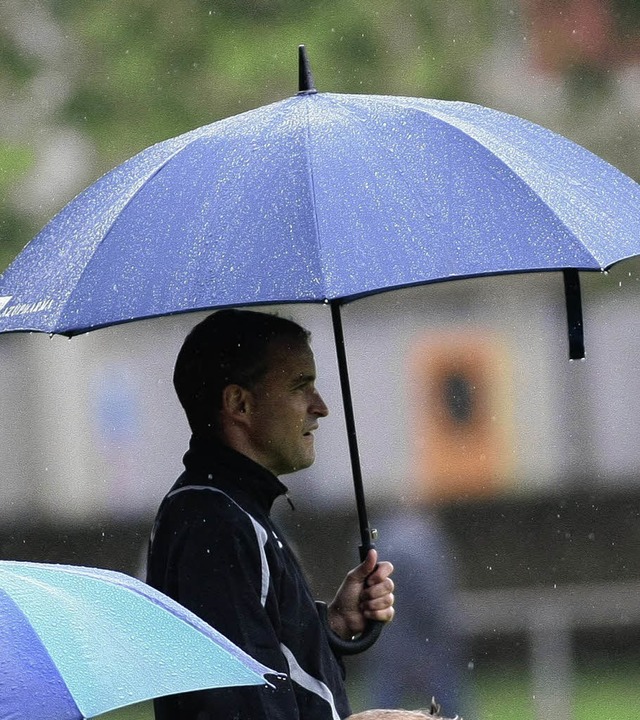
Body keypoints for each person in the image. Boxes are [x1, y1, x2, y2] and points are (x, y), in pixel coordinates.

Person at [147, 309, 395, 720]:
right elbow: (241, 707)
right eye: (301, 386)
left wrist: (332, 625)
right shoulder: (216, 523)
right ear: (239, 404)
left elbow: (265, 663)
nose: (321, 407)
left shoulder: (229, 509)